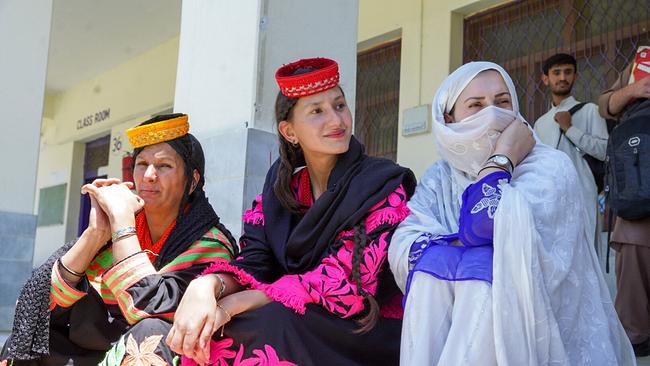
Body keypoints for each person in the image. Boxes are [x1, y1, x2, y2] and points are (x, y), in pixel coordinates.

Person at [166, 58, 416, 366]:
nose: (336, 120)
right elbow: (254, 263)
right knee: (216, 330)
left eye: (339, 105)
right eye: (317, 111)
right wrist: (207, 286)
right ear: (289, 131)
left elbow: (343, 284)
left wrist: (234, 304)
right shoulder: (280, 192)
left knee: (270, 322)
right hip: (297, 316)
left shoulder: (379, 185)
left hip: (364, 327)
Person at [388, 62, 634, 365]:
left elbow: (483, 225)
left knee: (478, 266)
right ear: (449, 118)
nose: (492, 113)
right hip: (453, 336)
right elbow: (406, 242)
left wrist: (501, 159)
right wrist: (454, 256)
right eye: (475, 105)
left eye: (502, 102)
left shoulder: (550, 166)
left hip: (544, 332)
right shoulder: (440, 177)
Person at [0, 114, 237, 365]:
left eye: (164, 166)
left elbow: (148, 309)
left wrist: (123, 223)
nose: (149, 176)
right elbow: (35, 305)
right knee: (28, 339)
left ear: (193, 181)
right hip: (85, 352)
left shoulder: (210, 244)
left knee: (149, 337)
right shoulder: (110, 229)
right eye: (142, 164)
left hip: (145, 353)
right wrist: (96, 232)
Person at [598, 45, 650, 357]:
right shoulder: (641, 59)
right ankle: (636, 338)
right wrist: (634, 89)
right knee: (634, 258)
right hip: (637, 175)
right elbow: (605, 105)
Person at [534, 53, 608, 253]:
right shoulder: (540, 124)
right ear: (546, 79)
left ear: (575, 76)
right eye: (556, 73)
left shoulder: (590, 111)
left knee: (586, 258)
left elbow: (604, 151)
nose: (562, 78)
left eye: (567, 72)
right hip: (550, 203)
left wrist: (570, 129)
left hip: (583, 197)